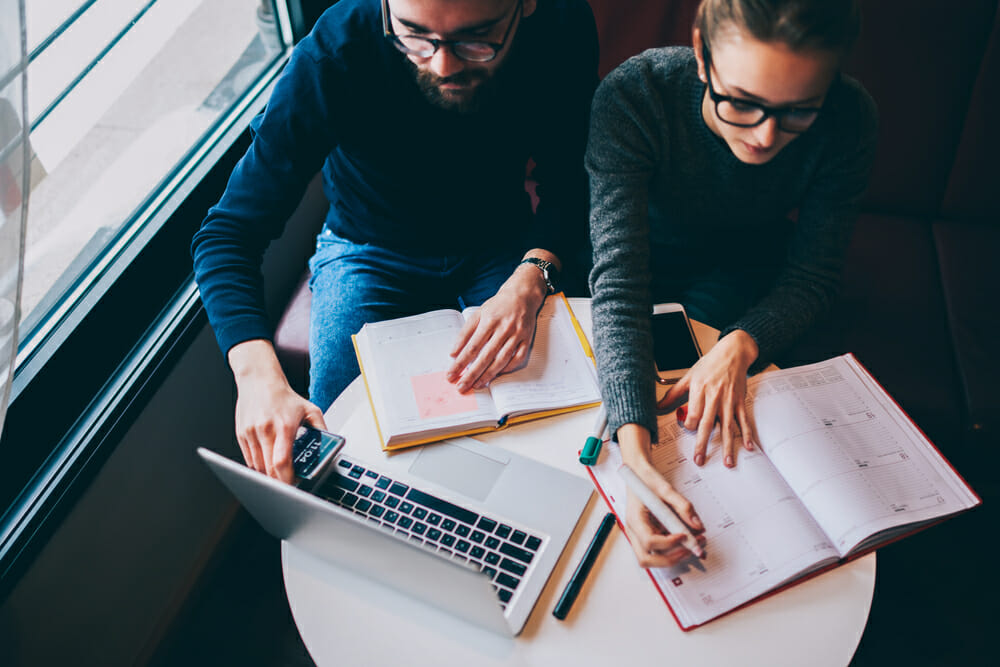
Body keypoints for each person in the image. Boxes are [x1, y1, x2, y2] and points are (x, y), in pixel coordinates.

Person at [192, 0, 598, 483]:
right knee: (343, 456)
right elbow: (227, 235)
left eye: (476, 38)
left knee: (555, 442)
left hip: (503, 244)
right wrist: (257, 378)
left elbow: (572, 178)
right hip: (366, 250)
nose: (442, 64)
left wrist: (532, 277)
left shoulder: (561, 24)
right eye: (413, 35)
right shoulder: (337, 51)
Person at [587, 0, 877, 566]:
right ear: (701, 52)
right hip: (627, 264)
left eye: (799, 111)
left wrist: (741, 343)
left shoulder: (851, 119)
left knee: (722, 447)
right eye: (742, 103)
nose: (767, 138)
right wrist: (634, 456)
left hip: (740, 275)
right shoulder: (636, 94)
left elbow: (813, 275)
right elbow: (619, 281)